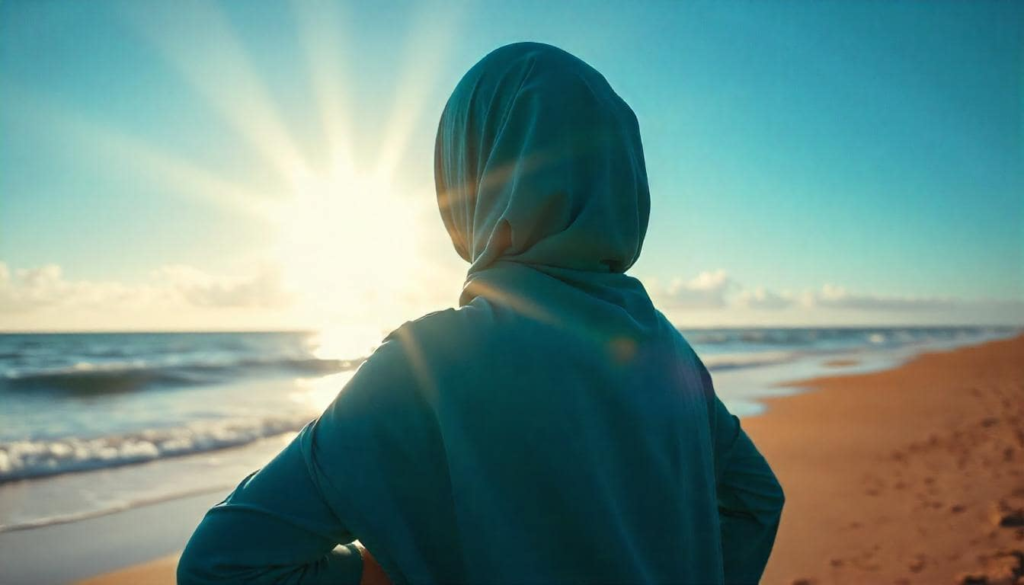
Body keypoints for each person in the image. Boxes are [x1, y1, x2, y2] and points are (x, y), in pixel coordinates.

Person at [178, 42, 784, 585]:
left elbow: (221, 566)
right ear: (622, 179)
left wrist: (380, 571)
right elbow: (756, 499)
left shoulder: (427, 364)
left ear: (469, 176)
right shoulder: (670, 355)